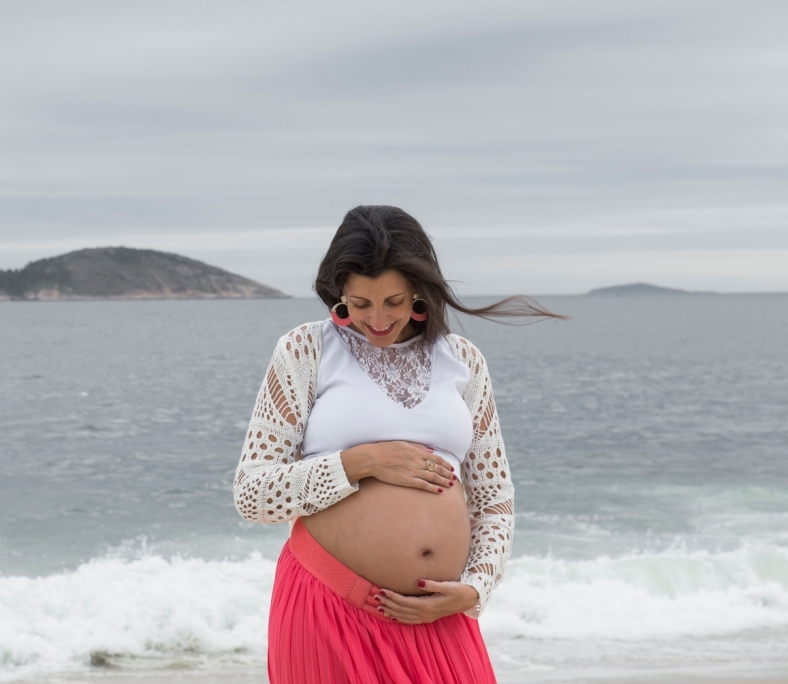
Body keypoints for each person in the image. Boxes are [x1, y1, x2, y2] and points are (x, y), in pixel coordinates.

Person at [233, 205, 564, 684]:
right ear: (339, 293)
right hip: (330, 603)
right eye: (360, 303)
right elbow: (254, 494)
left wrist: (474, 589)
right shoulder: (305, 350)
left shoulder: (463, 360)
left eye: (393, 301)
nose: (378, 319)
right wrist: (362, 462)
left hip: (440, 617)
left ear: (418, 291)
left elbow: (494, 499)